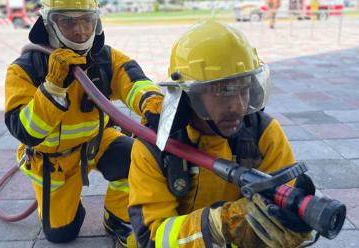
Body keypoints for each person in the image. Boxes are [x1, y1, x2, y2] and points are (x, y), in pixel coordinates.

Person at [4, 0, 162, 246]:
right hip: (55, 161)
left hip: (96, 142)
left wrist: (153, 104)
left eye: (86, 20)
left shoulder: (104, 58)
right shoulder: (26, 70)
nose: (79, 31)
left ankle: (118, 216)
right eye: (68, 21)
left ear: (96, 21)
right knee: (61, 235)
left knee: (139, 159)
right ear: (49, 24)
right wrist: (52, 89)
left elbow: (134, 81)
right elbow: (26, 132)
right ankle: (65, 207)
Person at [128, 21, 313, 248]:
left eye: (244, 88)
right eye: (223, 90)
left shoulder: (264, 134)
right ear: (188, 94)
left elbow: (281, 216)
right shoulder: (154, 148)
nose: (238, 106)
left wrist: (293, 222)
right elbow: (153, 238)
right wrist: (219, 224)